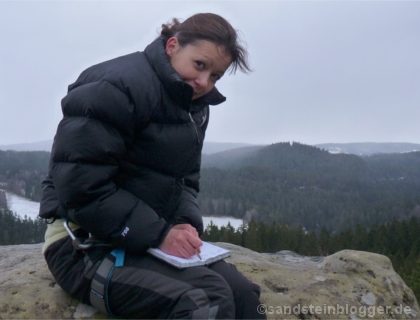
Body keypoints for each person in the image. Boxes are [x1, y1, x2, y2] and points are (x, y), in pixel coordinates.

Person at [39, 12, 266, 319]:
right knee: (204, 300)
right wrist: (161, 233)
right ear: (172, 45)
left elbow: (184, 179)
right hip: (83, 244)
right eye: (200, 65)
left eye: (215, 75)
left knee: (244, 297)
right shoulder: (114, 87)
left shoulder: (192, 105)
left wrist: (184, 222)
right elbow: (81, 187)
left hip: (143, 238)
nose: (203, 82)